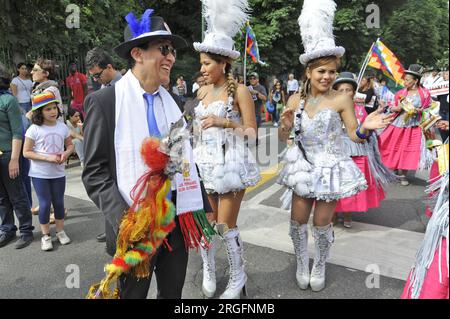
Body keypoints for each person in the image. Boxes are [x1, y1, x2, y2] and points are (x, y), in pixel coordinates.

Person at [82, 9, 212, 299]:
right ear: (138, 54)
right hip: (133, 225)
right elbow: (94, 173)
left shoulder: (175, 102)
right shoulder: (105, 101)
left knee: (172, 294)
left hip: (176, 223)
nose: (171, 57)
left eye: (173, 51)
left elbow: (185, 159)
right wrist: (127, 220)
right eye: (163, 49)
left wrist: (201, 206)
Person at [277, 0, 392, 292]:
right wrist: (285, 124)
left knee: (322, 223)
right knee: (297, 222)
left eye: (331, 72)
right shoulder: (295, 101)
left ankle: (320, 263)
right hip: (303, 168)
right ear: (308, 73)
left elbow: (353, 135)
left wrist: (365, 129)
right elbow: (284, 138)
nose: (327, 77)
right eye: (321, 72)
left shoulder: (342, 99)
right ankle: (302, 261)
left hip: (330, 168)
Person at [193, 0, 260, 299]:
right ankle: (208, 269)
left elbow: (252, 133)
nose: (203, 68)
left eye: (207, 63)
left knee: (224, 225)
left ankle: (237, 277)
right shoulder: (201, 91)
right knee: (206, 223)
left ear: (223, 63)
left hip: (231, 162)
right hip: (204, 163)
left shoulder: (240, 91)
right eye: (202, 63)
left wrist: (224, 122)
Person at [332, 72, 396, 228]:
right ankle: (332, 214)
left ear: (354, 92)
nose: (345, 93)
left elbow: (363, 132)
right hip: (334, 152)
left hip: (356, 152)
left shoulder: (360, 109)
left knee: (351, 186)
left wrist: (367, 128)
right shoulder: (329, 108)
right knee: (333, 185)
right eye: (341, 90)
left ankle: (347, 213)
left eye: (348, 90)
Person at [23, 92, 74, 251]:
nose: (53, 111)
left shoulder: (62, 126)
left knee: (59, 203)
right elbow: (26, 152)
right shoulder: (33, 129)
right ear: (39, 112)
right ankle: (46, 236)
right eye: (47, 109)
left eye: (54, 108)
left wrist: (65, 153)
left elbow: (70, 145)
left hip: (58, 173)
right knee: (44, 204)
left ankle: (60, 231)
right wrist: (48, 159)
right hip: (40, 174)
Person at [85, 47, 123, 243]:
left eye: (98, 75)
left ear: (109, 67)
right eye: (93, 77)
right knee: (107, 190)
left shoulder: (126, 88)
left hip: (120, 153)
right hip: (105, 150)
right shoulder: (102, 90)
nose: (96, 80)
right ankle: (112, 225)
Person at [378, 64, 432, 186]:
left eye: (407, 80)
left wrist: (420, 111)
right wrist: (396, 108)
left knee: (408, 150)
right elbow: (391, 107)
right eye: (405, 79)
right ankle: (392, 169)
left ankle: (403, 174)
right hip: (398, 125)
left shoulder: (424, 94)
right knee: (394, 147)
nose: (405, 81)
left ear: (415, 80)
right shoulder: (401, 93)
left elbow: (430, 109)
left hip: (414, 126)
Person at [0, 65, 34, 249]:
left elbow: (17, 132)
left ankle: (26, 230)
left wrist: (14, 159)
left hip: (8, 155)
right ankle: (7, 229)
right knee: (1, 198)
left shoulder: (8, 100)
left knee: (16, 194)